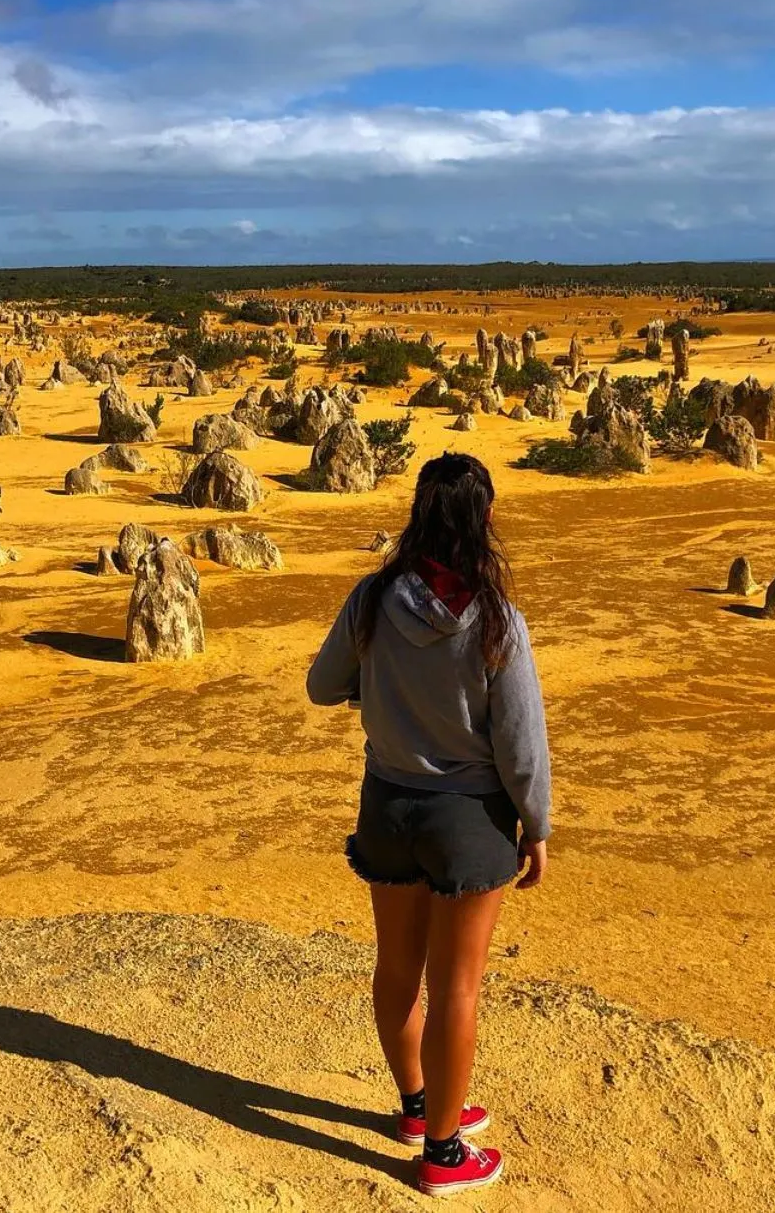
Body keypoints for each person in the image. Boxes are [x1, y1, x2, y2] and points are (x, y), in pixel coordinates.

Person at [307, 452, 551, 1197]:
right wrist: (535, 825)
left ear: (418, 511)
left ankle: (418, 1108)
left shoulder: (374, 599)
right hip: (470, 820)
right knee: (457, 988)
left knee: (396, 968)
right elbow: (520, 742)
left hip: (386, 805)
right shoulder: (496, 619)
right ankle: (444, 1154)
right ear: (482, 521)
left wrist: (375, 691)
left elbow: (322, 686)